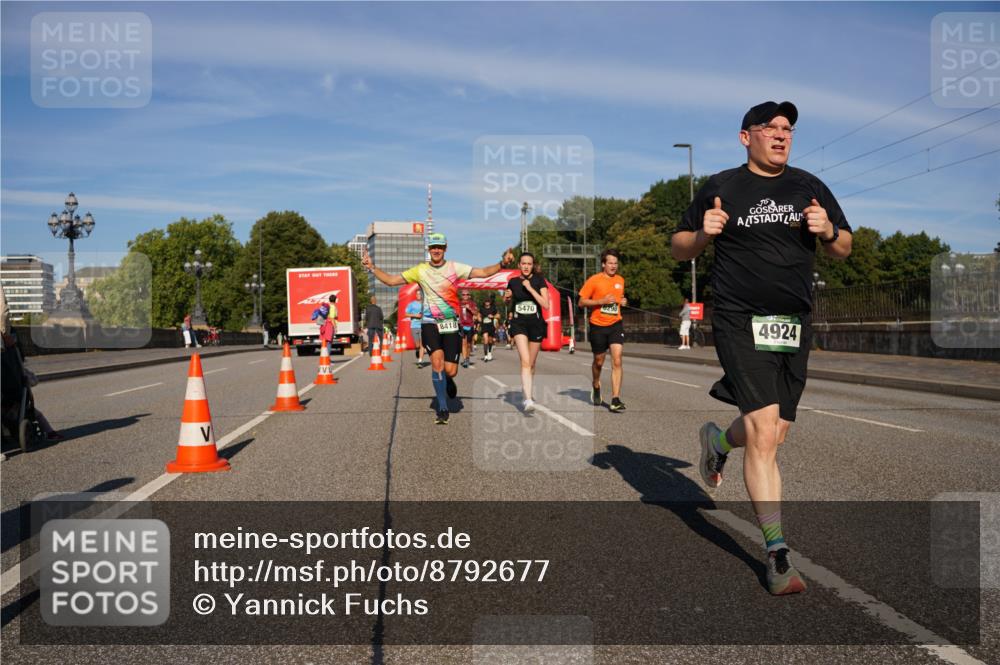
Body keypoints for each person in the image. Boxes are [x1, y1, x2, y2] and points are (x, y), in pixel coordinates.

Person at [671, 100, 852, 596]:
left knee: (774, 432)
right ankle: (777, 555)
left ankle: (718, 442)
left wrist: (829, 231)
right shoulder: (722, 186)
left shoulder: (809, 185)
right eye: (769, 127)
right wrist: (701, 237)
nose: (780, 134)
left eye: (787, 128)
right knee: (766, 435)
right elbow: (678, 244)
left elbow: (845, 246)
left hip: (793, 324)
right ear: (744, 137)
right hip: (737, 318)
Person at [362, 233, 514, 424]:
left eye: (439, 247)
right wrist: (372, 268)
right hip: (429, 323)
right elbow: (392, 281)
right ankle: (442, 407)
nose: (436, 250)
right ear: (429, 249)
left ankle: (448, 380)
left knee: (450, 371)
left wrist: (503, 264)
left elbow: (483, 272)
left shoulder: (454, 267)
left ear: (445, 248)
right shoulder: (420, 270)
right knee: (436, 363)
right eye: (433, 247)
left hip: (450, 323)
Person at [579, 249, 627, 412]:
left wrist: (622, 301)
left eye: (615, 263)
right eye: (610, 263)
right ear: (603, 264)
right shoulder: (594, 280)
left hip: (615, 324)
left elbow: (618, 300)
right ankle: (596, 384)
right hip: (598, 325)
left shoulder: (620, 280)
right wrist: (601, 301)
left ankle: (615, 399)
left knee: (617, 359)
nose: (613, 266)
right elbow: (581, 302)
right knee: (599, 361)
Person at [505, 253, 550, 412]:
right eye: (523, 263)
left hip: (536, 324)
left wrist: (530, 288)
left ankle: (526, 393)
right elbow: (507, 300)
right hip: (519, 324)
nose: (526, 266)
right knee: (525, 361)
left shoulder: (539, 280)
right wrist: (507, 297)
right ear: (519, 265)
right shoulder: (513, 282)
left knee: (531, 364)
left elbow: (546, 304)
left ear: (533, 265)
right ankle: (529, 400)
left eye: (529, 264)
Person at [405, 289, 428, 366]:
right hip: (414, 326)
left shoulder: (425, 304)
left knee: (422, 345)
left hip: (423, 325)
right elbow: (406, 314)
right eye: (417, 294)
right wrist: (415, 315)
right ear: (415, 295)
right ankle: (417, 350)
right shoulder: (412, 304)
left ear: (422, 295)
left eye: (420, 294)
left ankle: (420, 361)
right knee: (417, 345)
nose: (419, 295)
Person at [458, 290, 479, 369]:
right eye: (463, 294)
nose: (465, 296)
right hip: (462, 325)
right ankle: (465, 360)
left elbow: (476, 313)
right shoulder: (459, 303)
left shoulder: (472, 303)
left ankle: (467, 357)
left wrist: (469, 308)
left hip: (470, 325)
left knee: (469, 344)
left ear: (469, 295)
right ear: (462, 296)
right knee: (463, 343)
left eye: (467, 294)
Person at [479, 295, 499, 361]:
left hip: (491, 326)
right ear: (484, 302)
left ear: (490, 302)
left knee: (490, 341)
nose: (487, 302)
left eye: (488, 301)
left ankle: (489, 352)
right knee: (485, 340)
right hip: (484, 326)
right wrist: (479, 318)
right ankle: (485, 355)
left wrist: (493, 316)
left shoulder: (493, 308)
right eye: (486, 301)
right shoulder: (482, 308)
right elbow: (479, 315)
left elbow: (498, 315)